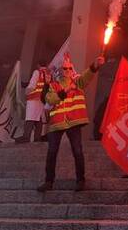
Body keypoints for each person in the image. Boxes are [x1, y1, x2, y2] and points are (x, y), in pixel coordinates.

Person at [36, 54, 105, 192]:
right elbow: (50, 99)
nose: (67, 70)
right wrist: (65, 90)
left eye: (69, 68)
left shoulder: (77, 81)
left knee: (77, 151)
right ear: (60, 71)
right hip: (57, 122)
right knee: (52, 152)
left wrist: (95, 65)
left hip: (73, 121)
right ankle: (48, 182)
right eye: (64, 68)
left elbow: (87, 76)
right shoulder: (53, 85)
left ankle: (80, 181)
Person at [17, 61, 51, 143]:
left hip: (33, 99)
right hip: (42, 100)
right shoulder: (48, 74)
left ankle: (26, 137)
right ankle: (37, 138)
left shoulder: (37, 72)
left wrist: (26, 92)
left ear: (38, 65)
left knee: (30, 118)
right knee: (39, 119)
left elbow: (32, 85)